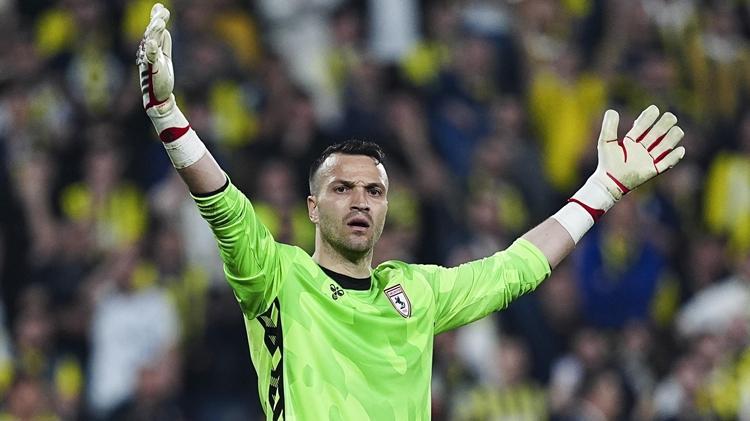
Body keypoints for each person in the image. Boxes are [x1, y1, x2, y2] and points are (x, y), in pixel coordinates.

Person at [136, 4, 686, 420]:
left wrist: (603, 188)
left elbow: (516, 268)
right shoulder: (277, 276)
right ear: (312, 208)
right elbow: (225, 207)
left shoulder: (416, 292)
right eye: (343, 188)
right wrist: (167, 115)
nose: (361, 200)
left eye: (374, 191)